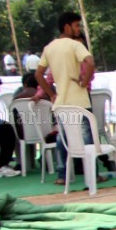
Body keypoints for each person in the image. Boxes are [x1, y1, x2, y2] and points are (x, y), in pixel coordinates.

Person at [37, 11, 98, 185]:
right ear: (67, 26)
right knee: (88, 137)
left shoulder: (49, 47)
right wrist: (84, 82)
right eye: (76, 25)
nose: (78, 29)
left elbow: (39, 74)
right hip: (79, 99)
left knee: (63, 138)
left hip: (61, 101)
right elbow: (91, 62)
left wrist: (51, 93)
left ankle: (62, 175)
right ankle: (91, 174)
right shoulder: (75, 45)